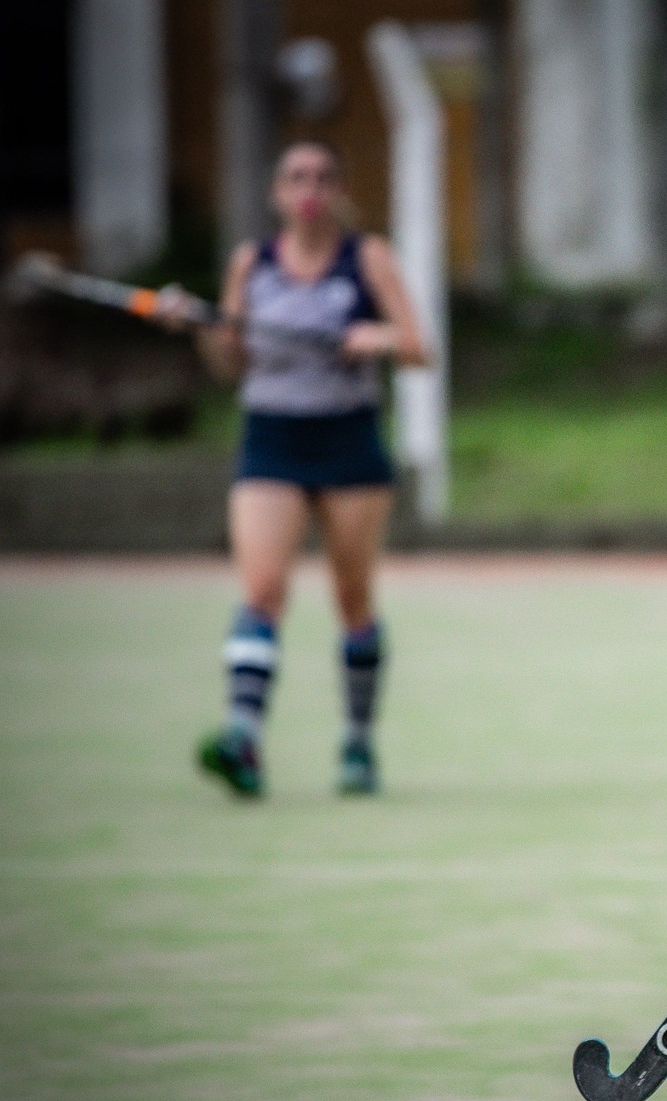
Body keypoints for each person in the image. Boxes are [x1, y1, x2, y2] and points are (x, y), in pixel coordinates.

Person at [159, 141, 428, 797]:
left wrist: (379, 337)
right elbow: (231, 362)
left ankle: (358, 742)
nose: (309, 188)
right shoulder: (251, 262)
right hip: (271, 440)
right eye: (296, 177)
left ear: (339, 190)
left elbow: (420, 348)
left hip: (347, 440)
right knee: (261, 591)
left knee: (352, 599)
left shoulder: (367, 257)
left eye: (322, 177)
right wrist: (197, 325)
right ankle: (243, 738)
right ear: (277, 193)